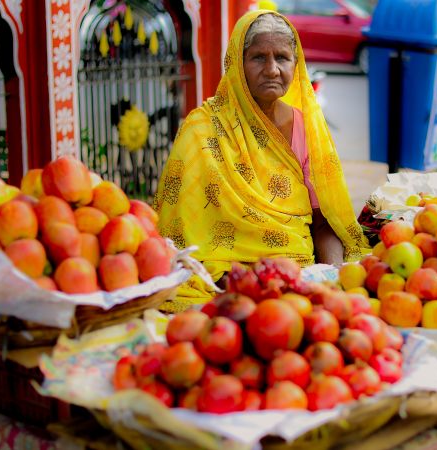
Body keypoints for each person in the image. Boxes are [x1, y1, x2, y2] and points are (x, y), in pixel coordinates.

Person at [153, 10, 370, 307]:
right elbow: (176, 233)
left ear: (296, 64)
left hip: (295, 275)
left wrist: (330, 276)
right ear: (236, 64)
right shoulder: (202, 128)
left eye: (282, 58)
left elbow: (324, 222)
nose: (271, 70)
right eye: (258, 58)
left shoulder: (307, 129)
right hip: (222, 280)